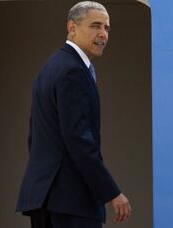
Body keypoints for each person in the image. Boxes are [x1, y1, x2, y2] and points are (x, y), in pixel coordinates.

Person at [16, 1, 132, 228]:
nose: (103, 34)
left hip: (45, 199)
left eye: (107, 28)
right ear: (72, 27)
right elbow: (78, 139)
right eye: (95, 26)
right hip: (70, 203)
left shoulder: (50, 67)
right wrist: (111, 192)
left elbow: (36, 137)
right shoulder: (73, 71)